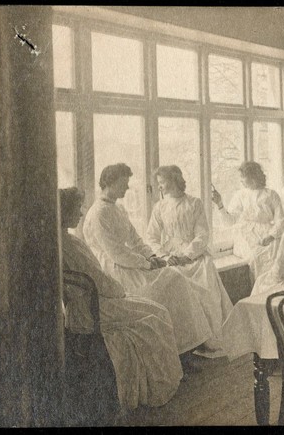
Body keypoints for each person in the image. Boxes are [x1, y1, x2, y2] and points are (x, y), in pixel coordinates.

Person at [60, 187, 183, 411]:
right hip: (93, 309)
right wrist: (119, 291)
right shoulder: (67, 245)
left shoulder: (68, 240)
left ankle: (157, 381)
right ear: (64, 212)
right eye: (76, 208)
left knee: (156, 309)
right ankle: (157, 388)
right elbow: (97, 279)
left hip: (97, 301)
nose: (80, 213)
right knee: (156, 316)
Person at [83, 163, 215, 356]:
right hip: (115, 270)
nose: (127, 188)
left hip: (130, 264)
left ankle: (183, 349)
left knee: (175, 279)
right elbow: (116, 253)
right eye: (123, 183)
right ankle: (175, 353)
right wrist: (146, 264)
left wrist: (152, 257)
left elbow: (135, 240)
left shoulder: (117, 208)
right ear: (110, 183)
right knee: (170, 284)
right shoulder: (99, 213)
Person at [146, 165, 233, 354]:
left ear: (175, 180)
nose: (160, 187)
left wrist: (187, 255)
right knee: (174, 284)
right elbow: (151, 237)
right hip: (171, 257)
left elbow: (202, 235)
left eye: (163, 182)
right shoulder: (159, 207)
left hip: (195, 257)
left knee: (205, 290)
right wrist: (165, 256)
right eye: (158, 183)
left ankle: (207, 340)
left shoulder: (194, 203)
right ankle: (186, 344)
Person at [211, 161, 284, 281]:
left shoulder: (271, 195)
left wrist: (271, 236)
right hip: (247, 235)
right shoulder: (240, 195)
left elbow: (280, 221)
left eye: (243, 177)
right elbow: (230, 221)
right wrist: (220, 204)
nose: (241, 181)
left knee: (274, 258)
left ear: (253, 177)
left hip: (269, 235)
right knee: (255, 257)